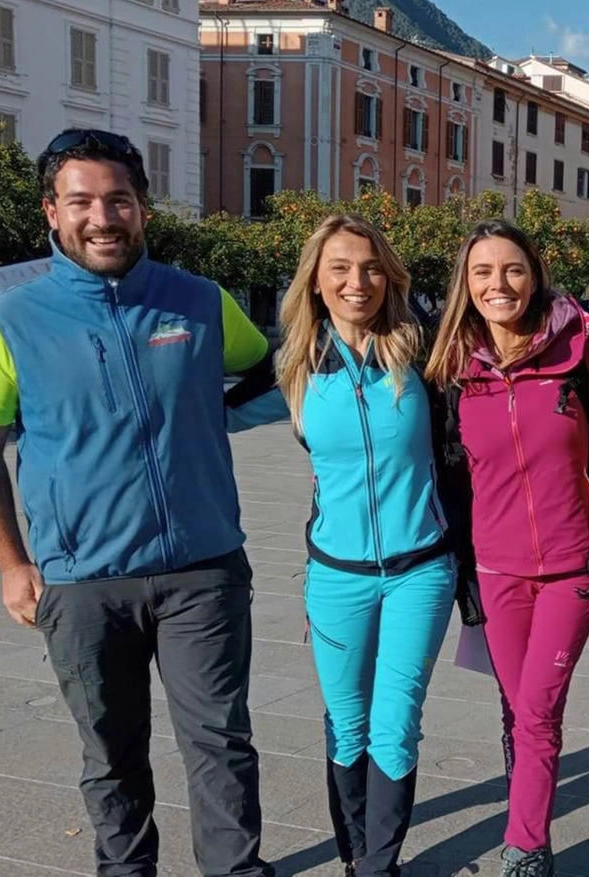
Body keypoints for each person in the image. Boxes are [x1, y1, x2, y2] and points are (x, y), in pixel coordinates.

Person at [0, 128, 275, 877]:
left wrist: (206, 419)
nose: (103, 216)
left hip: (205, 569)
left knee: (221, 744)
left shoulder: (198, 300)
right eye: (82, 201)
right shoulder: (7, 322)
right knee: (111, 754)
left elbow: (262, 370)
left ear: (143, 211)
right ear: (51, 214)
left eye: (119, 199)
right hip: (83, 581)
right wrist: (11, 564)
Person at [226, 215, 463, 876]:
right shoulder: (293, 368)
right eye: (339, 268)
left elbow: (508, 329)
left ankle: (378, 865)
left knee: (395, 726)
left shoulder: (421, 352)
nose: (356, 281)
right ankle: (356, 853)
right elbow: (194, 410)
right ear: (316, 281)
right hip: (336, 576)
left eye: (369, 266)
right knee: (349, 724)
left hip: (421, 570)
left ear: (388, 274)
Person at [424, 221, 589, 877]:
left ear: (535, 274)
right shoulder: (451, 366)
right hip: (495, 569)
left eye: (512, 269)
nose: (499, 284)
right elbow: (440, 463)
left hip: (571, 566)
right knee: (519, 712)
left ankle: (525, 849)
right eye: (483, 272)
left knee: (539, 710)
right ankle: (529, 824)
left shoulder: (582, 346)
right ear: (466, 283)